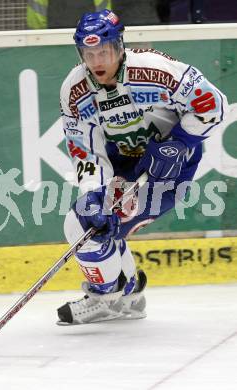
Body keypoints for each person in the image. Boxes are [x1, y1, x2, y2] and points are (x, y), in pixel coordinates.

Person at [58, 9, 229, 325]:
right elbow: (85, 151)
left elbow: (213, 104)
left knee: (80, 226)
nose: (97, 61)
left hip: (169, 171)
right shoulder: (75, 90)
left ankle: (106, 298)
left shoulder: (154, 69)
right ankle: (129, 295)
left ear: (119, 46)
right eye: (89, 53)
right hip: (122, 166)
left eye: (104, 52)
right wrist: (96, 192)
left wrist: (179, 141)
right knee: (92, 219)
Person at [27, 0, 112, 29]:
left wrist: (38, 39)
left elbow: (36, 18)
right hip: (90, 40)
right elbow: (104, 15)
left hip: (54, 39)